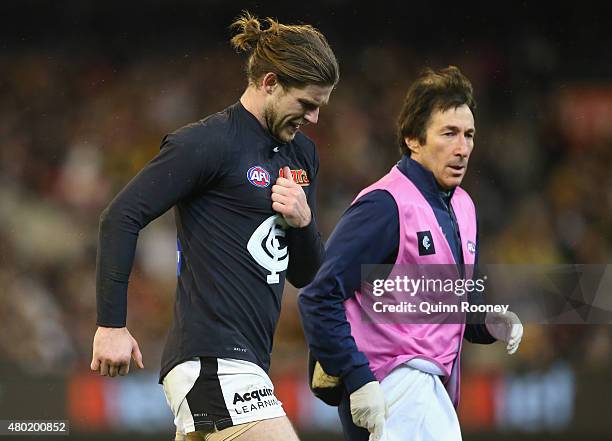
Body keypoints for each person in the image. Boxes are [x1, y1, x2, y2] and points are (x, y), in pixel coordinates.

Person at [90, 12, 339, 441]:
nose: (313, 119)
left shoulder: (302, 157)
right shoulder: (207, 143)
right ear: (269, 83)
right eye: (307, 104)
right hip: (212, 359)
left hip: (248, 362)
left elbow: (306, 274)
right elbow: (121, 216)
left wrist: (303, 222)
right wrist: (111, 325)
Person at [298, 66, 523, 441]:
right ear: (413, 139)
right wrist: (358, 377)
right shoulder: (384, 206)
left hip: (433, 390)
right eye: (448, 133)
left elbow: (455, 307)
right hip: (392, 385)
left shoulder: (464, 207)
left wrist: (491, 321)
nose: (462, 147)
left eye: (468, 135)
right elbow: (319, 295)